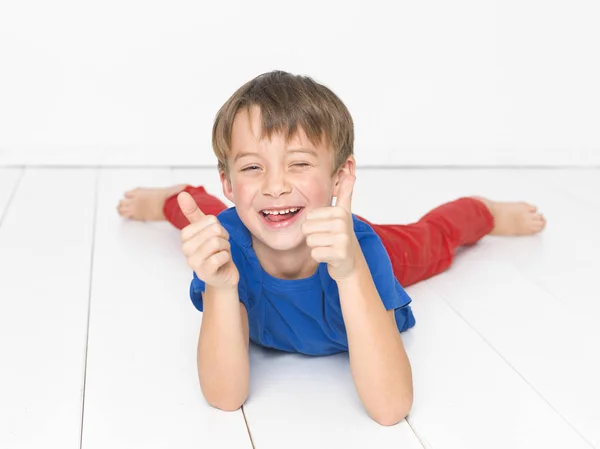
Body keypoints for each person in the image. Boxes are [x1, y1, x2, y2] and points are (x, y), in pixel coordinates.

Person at [117, 70, 545, 426]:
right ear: (228, 181)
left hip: (345, 247)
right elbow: (226, 398)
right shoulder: (227, 242)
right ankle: (172, 196)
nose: (275, 185)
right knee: (204, 217)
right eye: (252, 167)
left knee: (432, 239)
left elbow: (391, 409)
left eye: (299, 163)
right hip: (244, 228)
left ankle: (484, 210)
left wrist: (352, 271)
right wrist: (221, 287)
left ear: (340, 178)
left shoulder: (364, 250)